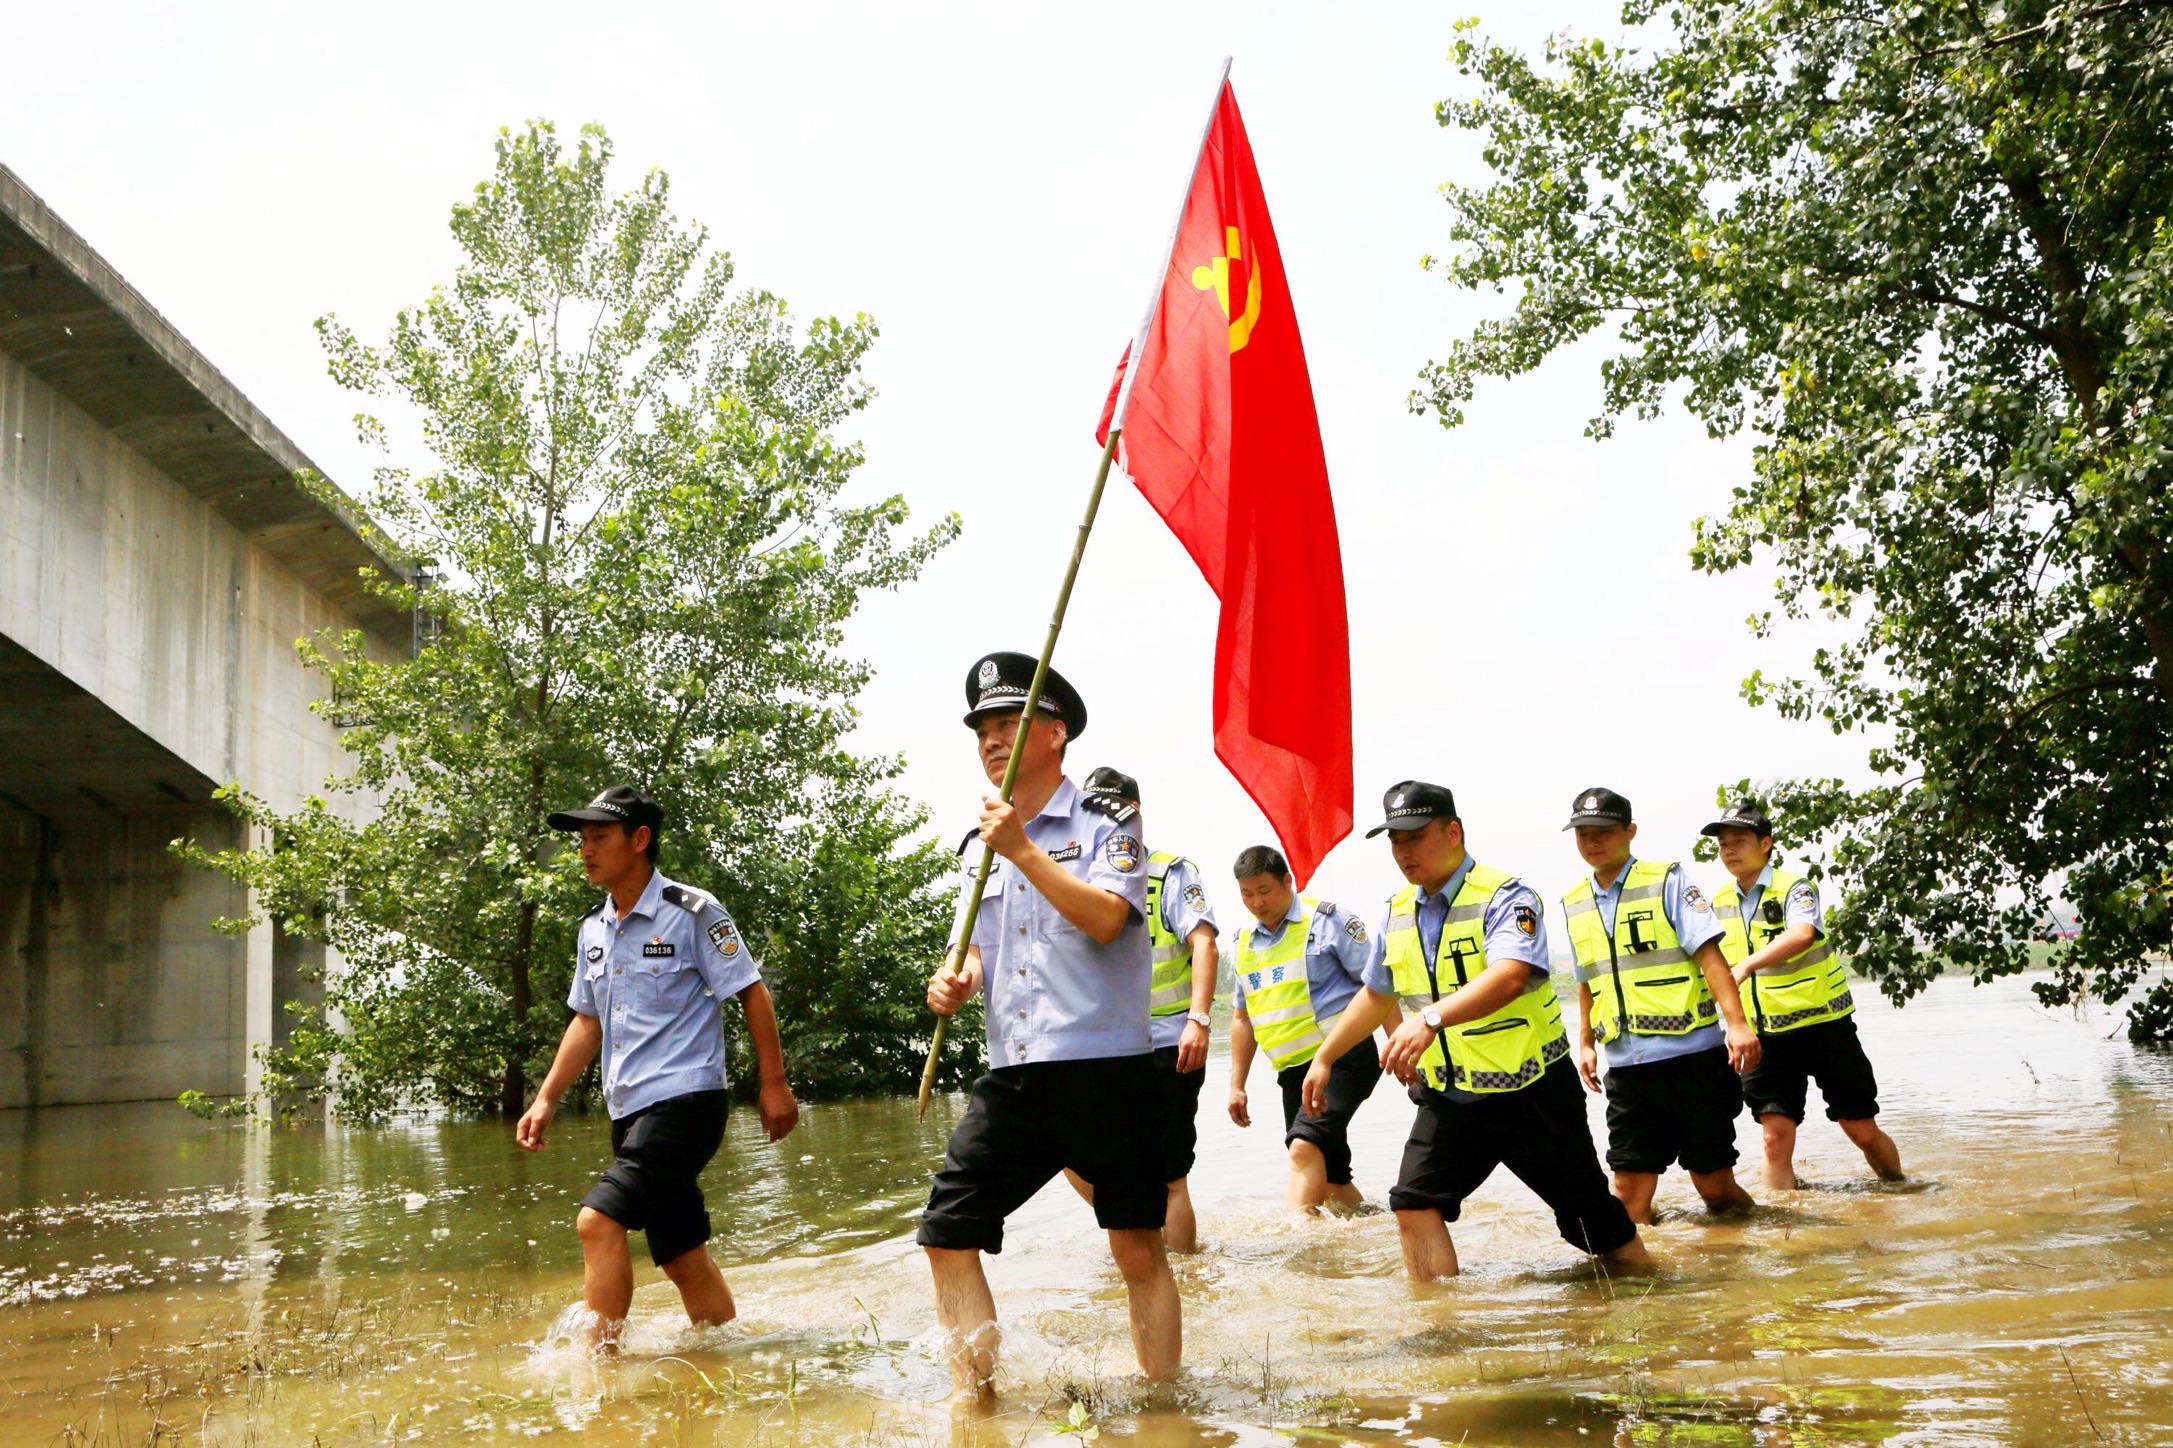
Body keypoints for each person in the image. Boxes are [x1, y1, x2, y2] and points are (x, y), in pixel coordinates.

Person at [919, 652, 1180, 1396]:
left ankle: (1162, 1408)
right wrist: (955, 981)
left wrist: (1023, 849)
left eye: (1010, 722)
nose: (992, 739)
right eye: (983, 728)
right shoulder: (980, 846)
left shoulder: (1108, 820)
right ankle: (978, 1404)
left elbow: (1106, 920)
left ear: (1055, 733)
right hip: (1015, 1073)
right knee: (947, 1232)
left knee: (1135, 1246)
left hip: (1106, 1070)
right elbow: (971, 947)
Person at [1303, 781, 1646, 1281]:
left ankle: (1657, 1291)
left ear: (1453, 832)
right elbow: (1378, 993)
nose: (1403, 852)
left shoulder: (1506, 896)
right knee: (1413, 1203)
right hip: (1452, 1097)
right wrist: (1326, 1057)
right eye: (1395, 842)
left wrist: (1431, 1018)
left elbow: (1510, 974)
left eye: (1414, 837)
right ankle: (1442, 1333)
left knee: (1592, 1225)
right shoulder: (1399, 910)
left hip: (1532, 1093)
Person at [515, 784, 800, 1351]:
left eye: (599, 837)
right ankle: (728, 1355)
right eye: (582, 840)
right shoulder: (592, 930)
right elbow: (587, 1022)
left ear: (639, 839)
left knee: (597, 1221)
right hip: (630, 1109)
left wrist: (774, 1084)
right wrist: (546, 1098)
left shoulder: (692, 912)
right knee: (680, 1254)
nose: (586, 850)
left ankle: (599, 1368)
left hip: (687, 1103)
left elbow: (750, 991)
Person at [1559, 786, 1760, 1224]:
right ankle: (1638, 1285)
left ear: (1629, 831)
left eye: (1604, 832)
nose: (1592, 842)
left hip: (1693, 1060)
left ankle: (1757, 1250)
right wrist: (1586, 1042)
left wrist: (1738, 1024)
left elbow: (1710, 955)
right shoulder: (1573, 901)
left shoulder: (1665, 879)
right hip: (1627, 1069)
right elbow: (1586, 979)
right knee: (1629, 1193)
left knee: (1714, 1187)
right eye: (1583, 833)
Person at [1057, 767, 1219, 1254]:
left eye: (1113, 807)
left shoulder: (1170, 872)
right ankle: (1143, 1234)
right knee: (1064, 1149)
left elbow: (1204, 942)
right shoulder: (1076, 873)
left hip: (1170, 1043)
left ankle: (1186, 1280)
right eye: (1093, 807)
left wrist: (1199, 1019)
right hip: (1099, 1044)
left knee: (1169, 1175)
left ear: (1135, 812)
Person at [1705, 800, 1905, 1189]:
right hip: (1765, 1038)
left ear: (1765, 843)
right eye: (1723, 843)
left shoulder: (1795, 888)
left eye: (1739, 841)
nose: (1729, 850)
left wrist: (1747, 965)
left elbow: (1802, 934)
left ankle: (1900, 1186)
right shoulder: (1718, 902)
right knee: (1773, 1138)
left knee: (1859, 1127)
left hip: (1825, 1028)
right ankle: (1785, 1228)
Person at [1225, 844, 1389, 1213]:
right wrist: (1237, 1085)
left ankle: (1298, 1253)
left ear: (1288, 881)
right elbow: (1241, 1016)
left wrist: (1399, 1049)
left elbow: (1380, 988)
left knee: (1302, 1147)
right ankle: (1381, 1232)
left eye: (1264, 891)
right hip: (1293, 1072)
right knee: (1331, 1180)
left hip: (1344, 1058)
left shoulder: (1327, 922)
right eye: (1246, 894)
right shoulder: (1242, 944)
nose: (1256, 902)